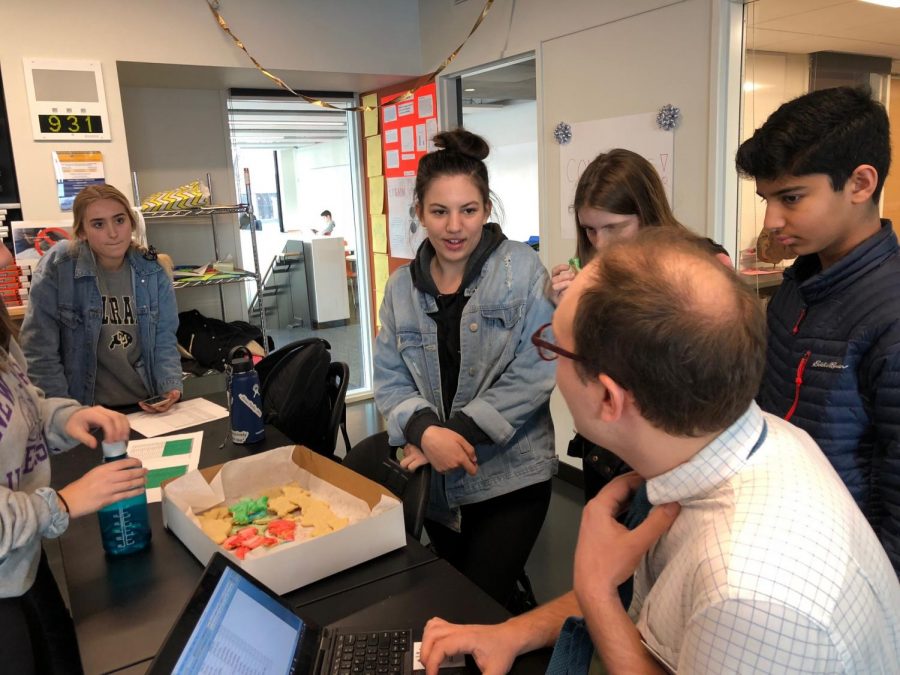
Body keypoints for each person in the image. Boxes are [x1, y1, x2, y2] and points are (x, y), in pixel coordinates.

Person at [419, 228, 900, 674]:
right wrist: (512, 632)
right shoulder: (747, 439)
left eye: (552, 347)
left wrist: (595, 590)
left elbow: (642, 605)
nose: (547, 359)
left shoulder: (751, 594)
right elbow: (654, 609)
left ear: (607, 397)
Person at [374, 129, 557, 609]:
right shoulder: (399, 290)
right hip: (438, 484)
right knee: (459, 596)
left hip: (511, 475)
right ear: (418, 213)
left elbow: (537, 370)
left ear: (487, 209)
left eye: (468, 210)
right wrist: (422, 430)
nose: (454, 226)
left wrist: (449, 434)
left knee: (473, 605)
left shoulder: (523, 269)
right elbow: (389, 379)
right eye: (439, 211)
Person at [736, 85, 899, 575]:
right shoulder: (798, 285)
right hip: (780, 534)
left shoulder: (889, 316)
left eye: (791, 197)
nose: (772, 220)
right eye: (766, 198)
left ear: (861, 183)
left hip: (847, 569)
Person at [0, 241, 148, 674]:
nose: (10, 257)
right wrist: (61, 503)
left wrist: (68, 417)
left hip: (23, 562)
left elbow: (25, 403)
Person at [550, 149, 729, 501]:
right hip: (608, 450)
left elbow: (702, 376)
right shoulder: (598, 272)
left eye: (614, 228)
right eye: (590, 230)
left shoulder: (702, 265)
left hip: (674, 456)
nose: (601, 245)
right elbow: (591, 372)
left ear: (646, 215)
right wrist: (570, 312)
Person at [20, 184, 182, 413]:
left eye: (119, 220)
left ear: (132, 223)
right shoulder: (60, 265)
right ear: (82, 231)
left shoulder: (152, 270)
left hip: (144, 405)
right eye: (98, 224)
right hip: (84, 408)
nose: (113, 233)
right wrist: (64, 415)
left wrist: (170, 387)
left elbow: (164, 339)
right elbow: (39, 351)